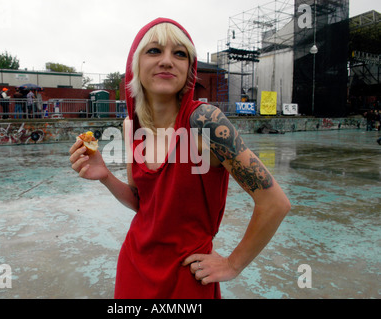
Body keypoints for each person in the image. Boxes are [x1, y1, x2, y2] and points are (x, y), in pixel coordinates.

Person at [69, 18, 290, 299]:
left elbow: (275, 203)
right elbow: (144, 204)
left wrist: (233, 264)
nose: (166, 61)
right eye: (154, 51)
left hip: (188, 275)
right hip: (134, 268)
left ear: (189, 68)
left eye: (179, 53)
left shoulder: (205, 121)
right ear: (135, 65)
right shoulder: (131, 126)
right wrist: (105, 177)